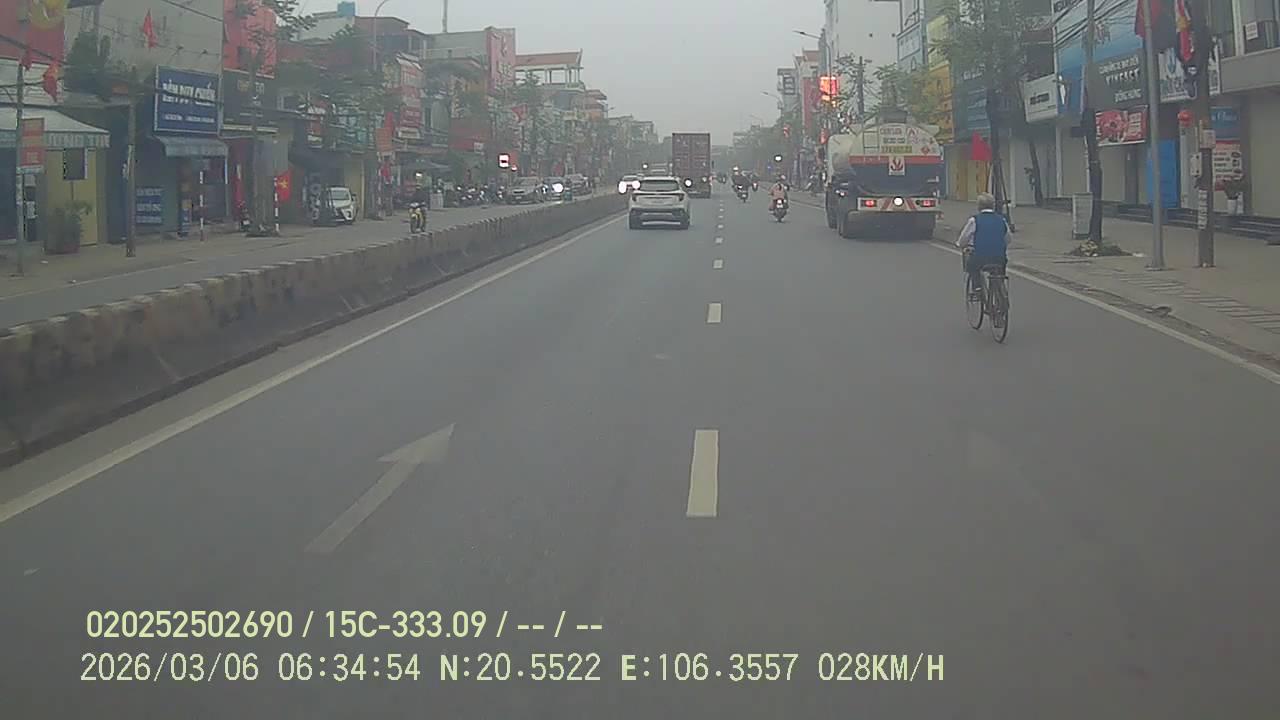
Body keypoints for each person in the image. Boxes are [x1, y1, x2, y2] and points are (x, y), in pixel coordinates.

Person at [955, 193, 1010, 298]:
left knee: (972, 266)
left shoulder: (974, 220)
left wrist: (960, 244)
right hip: (999, 258)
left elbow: (964, 238)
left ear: (979, 206)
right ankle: (1000, 287)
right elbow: (1008, 239)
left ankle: (977, 287)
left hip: (980, 258)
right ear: (993, 205)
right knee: (1000, 267)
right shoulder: (1002, 220)